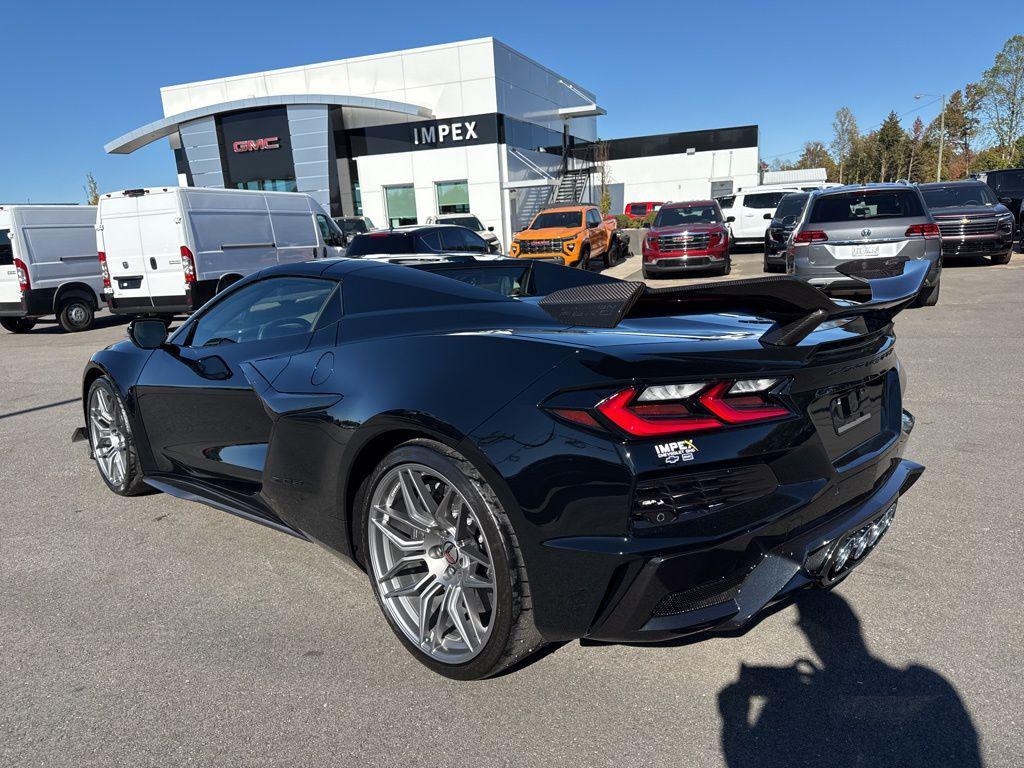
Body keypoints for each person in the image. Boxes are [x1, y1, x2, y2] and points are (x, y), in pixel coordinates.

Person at [718, 590, 981, 767]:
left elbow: (750, 760)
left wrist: (734, 716)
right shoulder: (923, 681)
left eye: (811, 631)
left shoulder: (918, 687)